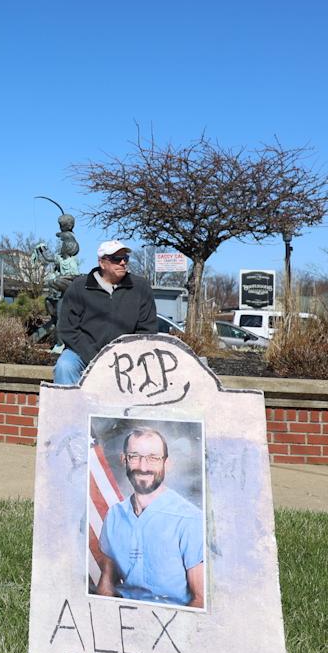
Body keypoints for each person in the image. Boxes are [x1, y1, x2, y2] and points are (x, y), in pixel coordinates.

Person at [94, 427, 205, 608]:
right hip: (124, 616)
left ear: (166, 464)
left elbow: (201, 600)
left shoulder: (189, 519)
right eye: (134, 456)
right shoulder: (114, 515)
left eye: (153, 458)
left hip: (172, 620)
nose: (143, 467)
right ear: (124, 460)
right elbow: (106, 584)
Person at [53, 240, 156, 385]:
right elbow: (68, 329)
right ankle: (68, 407)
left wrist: (124, 358)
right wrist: (95, 358)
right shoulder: (79, 287)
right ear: (102, 263)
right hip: (83, 354)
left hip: (127, 357)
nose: (122, 263)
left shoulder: (140, 287)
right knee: (65, 366)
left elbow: (147, 331)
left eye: (125, 258)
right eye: (116, 259)